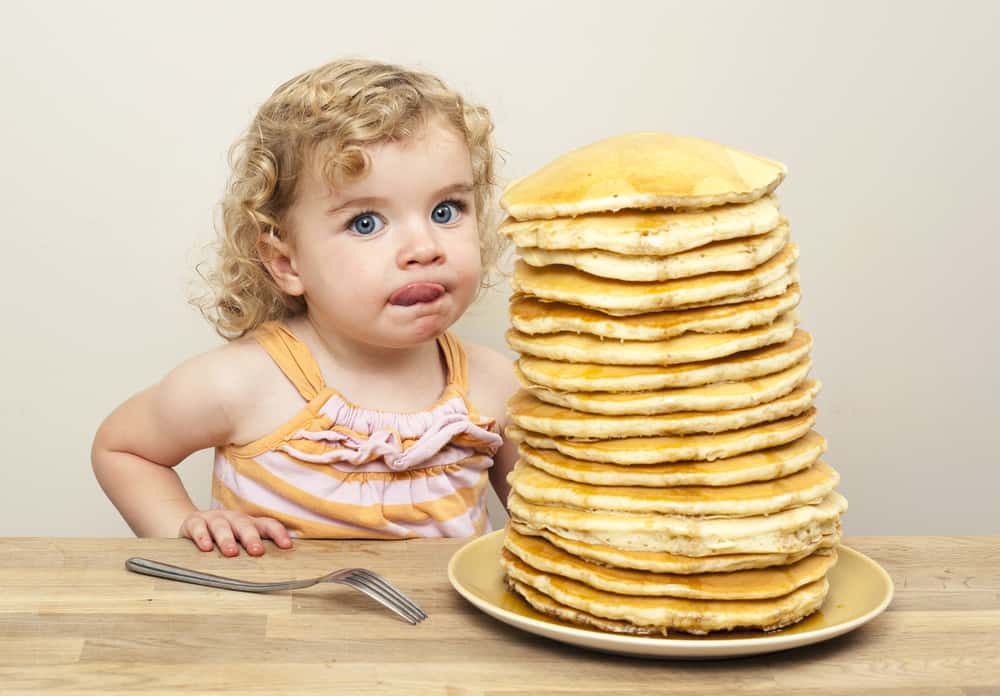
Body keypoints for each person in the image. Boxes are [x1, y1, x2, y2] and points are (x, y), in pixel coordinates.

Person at [92, 58, 518, 557]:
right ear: (286, 261)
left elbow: (551, 525)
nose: (424, 247)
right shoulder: (242, 383)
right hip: (273, 630)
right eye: (366, 223)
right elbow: (121, 449)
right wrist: (184, 528)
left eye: (446, 211)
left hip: (438, 635)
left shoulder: (497, 391)